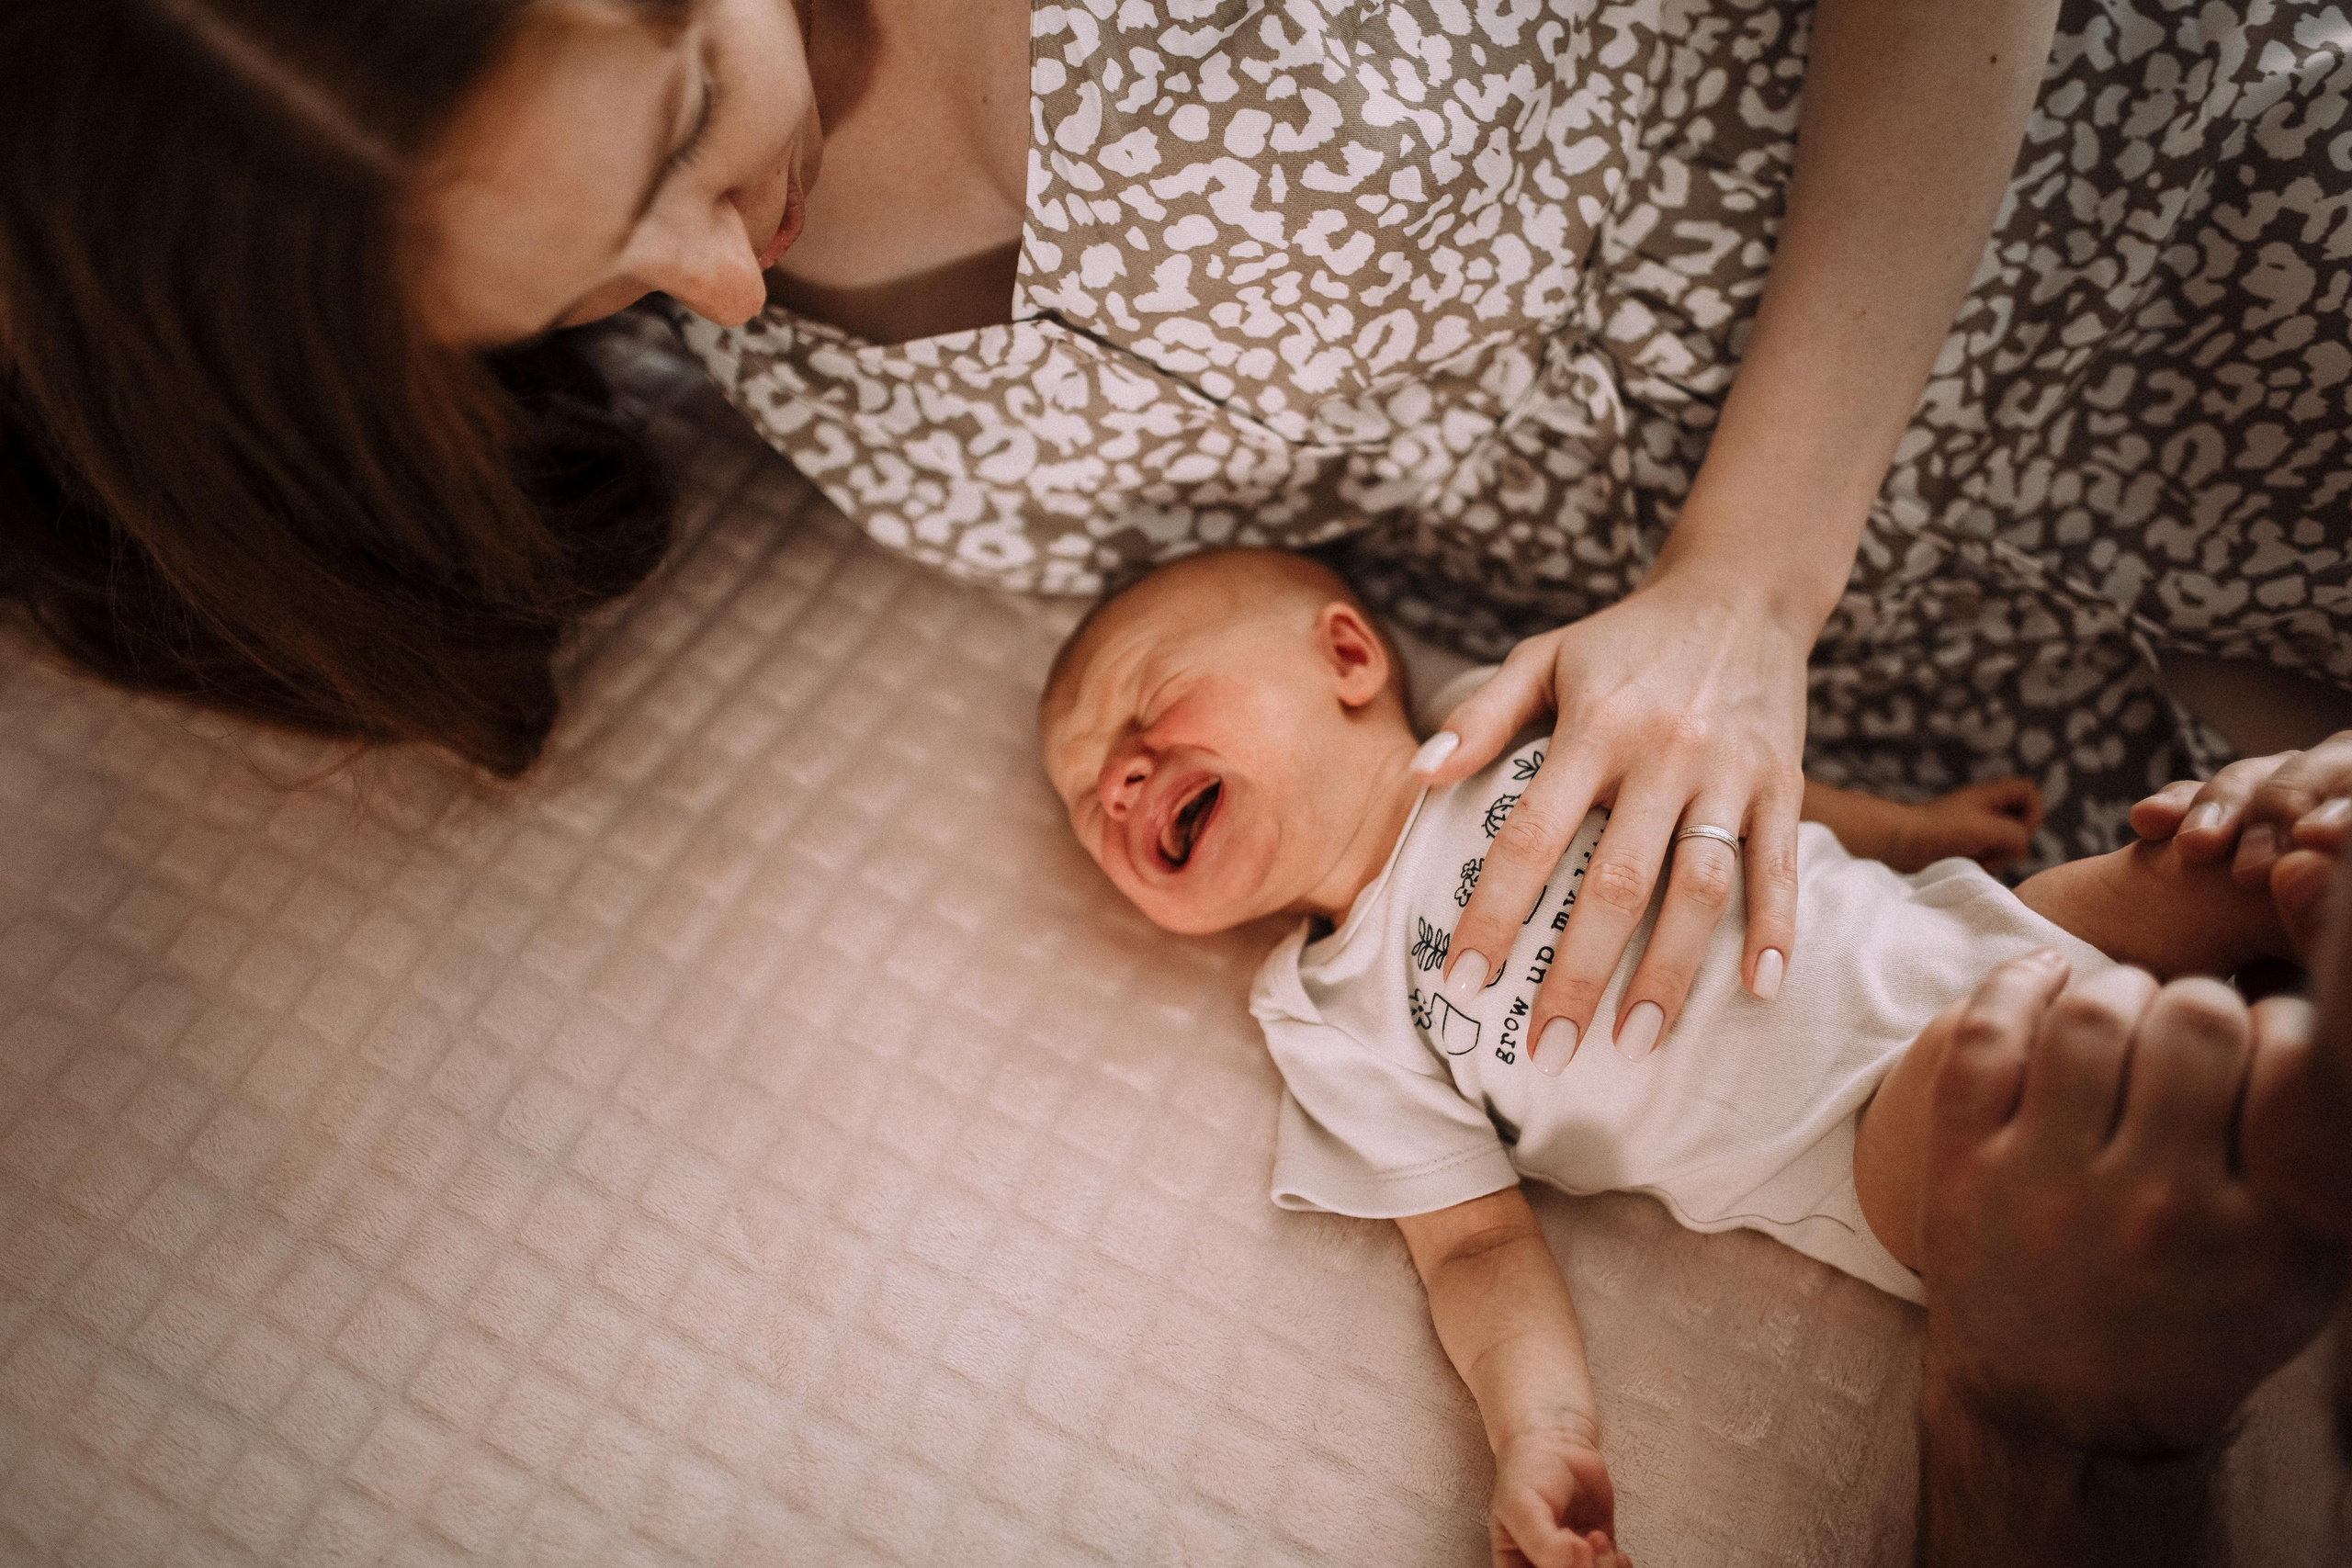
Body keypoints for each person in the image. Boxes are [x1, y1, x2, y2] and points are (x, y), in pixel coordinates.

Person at [7, 0, 2349, 1077]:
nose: (716, 287)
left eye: (682, 143)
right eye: (604, 291)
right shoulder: (730, 345)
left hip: (2217, 241)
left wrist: (1752, 575)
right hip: (2056, 774)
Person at [1034, 547, 2302, 1566]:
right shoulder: (1327, 1011)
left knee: (2228, 849)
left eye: (1146, 710)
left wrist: (1908, 830)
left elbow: (1746, 774)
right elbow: (1476, 1249)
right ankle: (2289, 1085)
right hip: (1877, 1137)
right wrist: (1539, 1430)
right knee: (2054, 1075)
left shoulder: (1508, 707)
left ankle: (2299, 890)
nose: (1123, 777)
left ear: (1349, 655)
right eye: (1091, 798)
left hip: (1969, 918)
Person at [1913, 743, 2352, 1563]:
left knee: (2028, 952)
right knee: (1958, 1065)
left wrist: (1910, 828)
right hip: (1767, 1067)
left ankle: (2257, 904)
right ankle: (2252, 933)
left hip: (1887, 914)